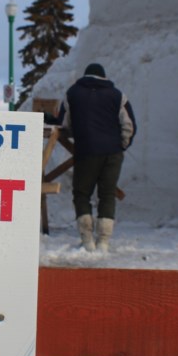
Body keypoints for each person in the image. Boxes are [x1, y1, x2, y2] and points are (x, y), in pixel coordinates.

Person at [56, 63, 137, 252]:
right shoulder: (117, 95)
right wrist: (121, 145)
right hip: (112, 153)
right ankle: (103, 241)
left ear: (85, 76)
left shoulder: (72, 93)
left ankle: (87, 240)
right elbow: (129, 126)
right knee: (107, 194)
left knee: (82, 194)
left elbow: (63, 124)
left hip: (86, 151)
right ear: (104, 76)